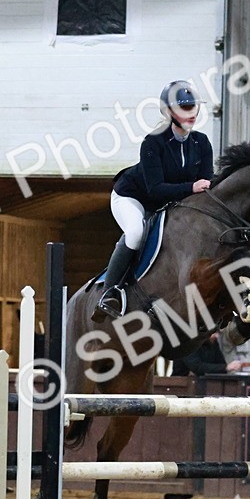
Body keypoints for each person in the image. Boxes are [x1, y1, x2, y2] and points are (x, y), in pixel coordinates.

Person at [93, 80, 215, 321]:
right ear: (169, 112)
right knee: (136, 233)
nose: (191, 113)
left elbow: (206, 185)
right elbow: (156, 189)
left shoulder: (202, 143)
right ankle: (109, 293)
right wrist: (191, 186)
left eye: (193, 108)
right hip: (132, 197)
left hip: (166, 204)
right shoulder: (153, 142)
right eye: (184, 108)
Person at [171, 332, 250, 376]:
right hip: (181, 384)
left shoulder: (212, 343)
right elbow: (197, 367)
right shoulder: (188, 343)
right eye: (213, 333)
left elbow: (220, 363)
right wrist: (226, 367)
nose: (216, 336)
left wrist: (225, 367)